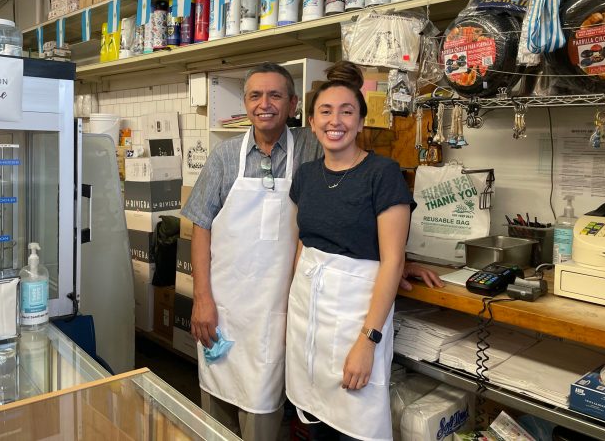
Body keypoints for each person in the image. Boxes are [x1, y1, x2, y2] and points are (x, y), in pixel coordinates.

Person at [182, 62, 441, 441]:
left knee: (284, 412)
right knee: (222, 411)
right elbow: (200, 225)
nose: (264, 104)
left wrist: (395, 259)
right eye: (255, 95)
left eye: (275, 95)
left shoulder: (309, 146)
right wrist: (201, 297)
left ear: (291, 106)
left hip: (284, 309)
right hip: (229, 305)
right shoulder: (226, 156)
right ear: (245, 102)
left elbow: (358, 207)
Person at [286, 61, 415, 440]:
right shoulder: (307, 175)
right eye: (325, 111)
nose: (335, 120)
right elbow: (302, 244)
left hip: (357, 319)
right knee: (315, 421)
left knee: (356, 423)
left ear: (361, 122)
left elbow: (393, 261)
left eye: (347, 112)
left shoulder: (383, 174)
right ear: (312, 122)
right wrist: (290, 317)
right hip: (308, 315)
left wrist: (367, 341)